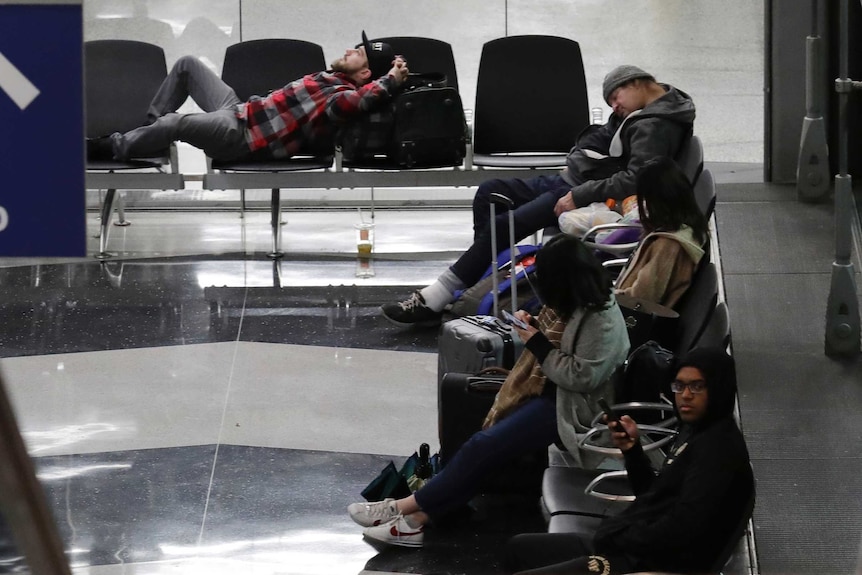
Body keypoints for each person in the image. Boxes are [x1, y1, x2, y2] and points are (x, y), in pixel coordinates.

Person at [347, 235, 630, 548]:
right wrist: (535, 325)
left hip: (572, 406)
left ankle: (401, 508)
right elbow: (562, 345)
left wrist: (536, 341)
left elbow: (581, 377)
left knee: (482, 447)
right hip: (551, 391)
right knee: (482, 450)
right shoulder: (581, 303)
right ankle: (415, 521)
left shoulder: (601, 321)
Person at [381, 64, 696, 327]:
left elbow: (636, 178)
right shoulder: (646, 108)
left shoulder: (656, 125)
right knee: (490, 193)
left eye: (616, 97)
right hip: (568, 179)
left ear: (638, 83)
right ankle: (478, 283)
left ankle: (436, 297)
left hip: (582, 192)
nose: (614, 105)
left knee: (504, 226)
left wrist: (579, 194)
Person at [506, 346, 754, 575]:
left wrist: (618, 537)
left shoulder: (718, 451)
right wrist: (633, 452)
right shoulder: (695, 431)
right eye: (679, 386)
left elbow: (682, 527)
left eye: (697, 387)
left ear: (718, 389)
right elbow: (654, 496)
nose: (685, 395)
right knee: (520, 548)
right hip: (636, 546)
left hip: (654, 562)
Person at [87, 31, 409, 162]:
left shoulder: (341, 96)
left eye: (359, 53)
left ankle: (115, 147)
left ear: (366, 74)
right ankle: (149, 135)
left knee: (176, 122)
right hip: (241, 110)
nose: (350, 49)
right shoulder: (333, 78)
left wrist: (391, 80)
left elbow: (356, 103)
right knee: (187, 65)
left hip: (241, 136)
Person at [612, 156, 708, 308]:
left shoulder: (668, 245)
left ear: (656, 201)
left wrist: (606, 298)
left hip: (629, 320)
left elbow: (641, 299)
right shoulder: (689, 227)